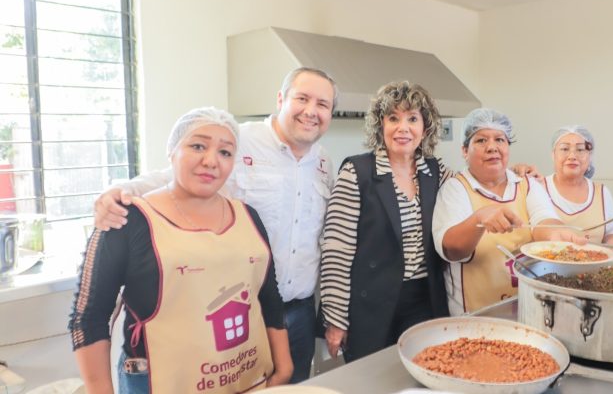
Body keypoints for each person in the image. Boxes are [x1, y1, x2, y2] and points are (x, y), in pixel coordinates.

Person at [91, 67, 337, 383]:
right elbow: (174, 176)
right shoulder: (239, 139)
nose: (311, 111)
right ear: (281, 99)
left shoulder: (323, 161)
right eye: (302, 98)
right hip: (240, 308)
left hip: (300, 311)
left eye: (322, 104)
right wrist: (118, 192)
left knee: (291, 387)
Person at [70, 107, 293, 393]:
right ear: (172, 152)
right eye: (197, 145)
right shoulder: (128, 218)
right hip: (156, 381)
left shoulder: (248, 216)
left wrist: (283, 365)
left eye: (225, 153)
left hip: (243, 377)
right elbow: (88, 316)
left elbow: (269, 296)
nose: (211, 161)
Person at [319, 81, 452, 362]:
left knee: (420, 378)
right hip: (370, 306)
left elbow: (472, 192)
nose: (403, 128)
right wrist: (336, 319)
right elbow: (336, 250)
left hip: (426, 302)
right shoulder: (357, 172)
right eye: (393, 118)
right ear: (381, 125)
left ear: (425, 128)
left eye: (412, 119)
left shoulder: (435, 170)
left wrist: (515, 175)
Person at [432, 108, 587, 315]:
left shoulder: (526, 184)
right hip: (476, 314)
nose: (492, 147)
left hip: (528, 307)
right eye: (480, 141)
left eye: (500, 140)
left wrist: (557, 234)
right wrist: (479, 218)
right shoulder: (456, 188)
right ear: (464, 150)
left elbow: (543, 218)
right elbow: (451, 249)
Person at [545, 126, 613, 245]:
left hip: (594, 262)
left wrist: (607, 249)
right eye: (565, 149)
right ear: (553, 154)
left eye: (580, 150)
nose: (572, 156)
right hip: (546, 263)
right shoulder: (538, 188)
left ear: (590, 156)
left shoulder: (601, 192)